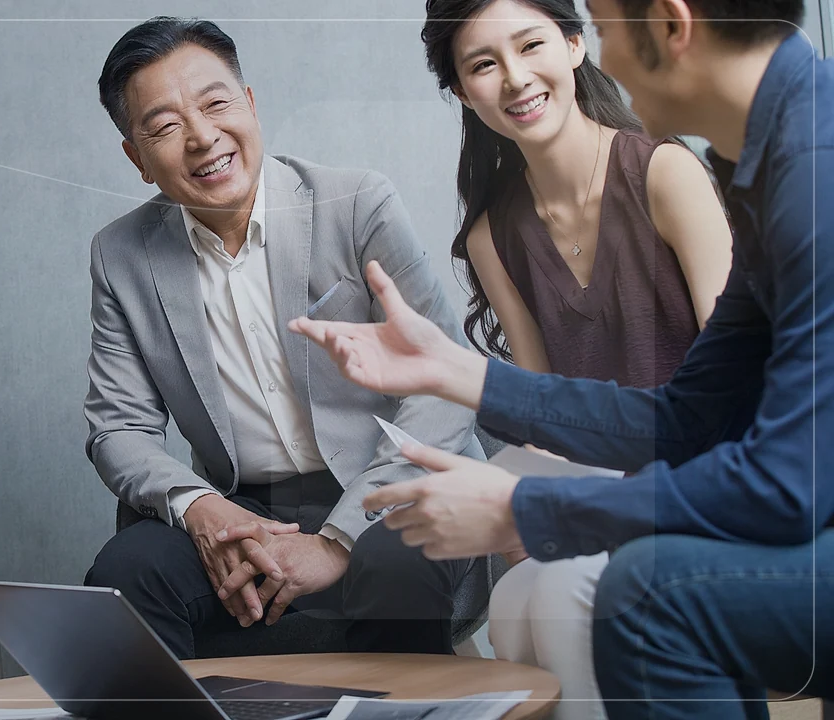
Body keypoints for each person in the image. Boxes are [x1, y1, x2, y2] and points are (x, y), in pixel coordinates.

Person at [289, 0, 831, 716]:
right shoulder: (769, 162)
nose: (598, 53)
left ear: (670, 25)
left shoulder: (808, 173)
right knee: (589, 590)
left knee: (644, 592)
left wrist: (526, 508)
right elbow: (686, 415)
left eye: (600, 30)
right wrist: (455, 371)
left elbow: (788, 485)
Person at [82, 16, 487, 660]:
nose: (202, 138)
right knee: (126, 573)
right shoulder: (121, 254)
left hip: (387, 486)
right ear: (137, 158)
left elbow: (445, 384)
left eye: (216, 104)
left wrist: (336, 540)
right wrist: (201, 508)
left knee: (392, 561)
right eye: (163, 127)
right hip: (247, 507)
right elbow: (117, 430)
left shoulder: (356, 203)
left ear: (250, 103)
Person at [419, 0, 733, 716]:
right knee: (513, 601)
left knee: (562, 594)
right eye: (483, 64)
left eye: (531, 46)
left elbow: (736, 397)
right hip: (593, 498)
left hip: (706, 486)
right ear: (463, 91)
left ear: (573, 45)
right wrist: (510, 502)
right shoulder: (492, 236)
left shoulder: (666, 173)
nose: (516, 78)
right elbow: (540, 416)